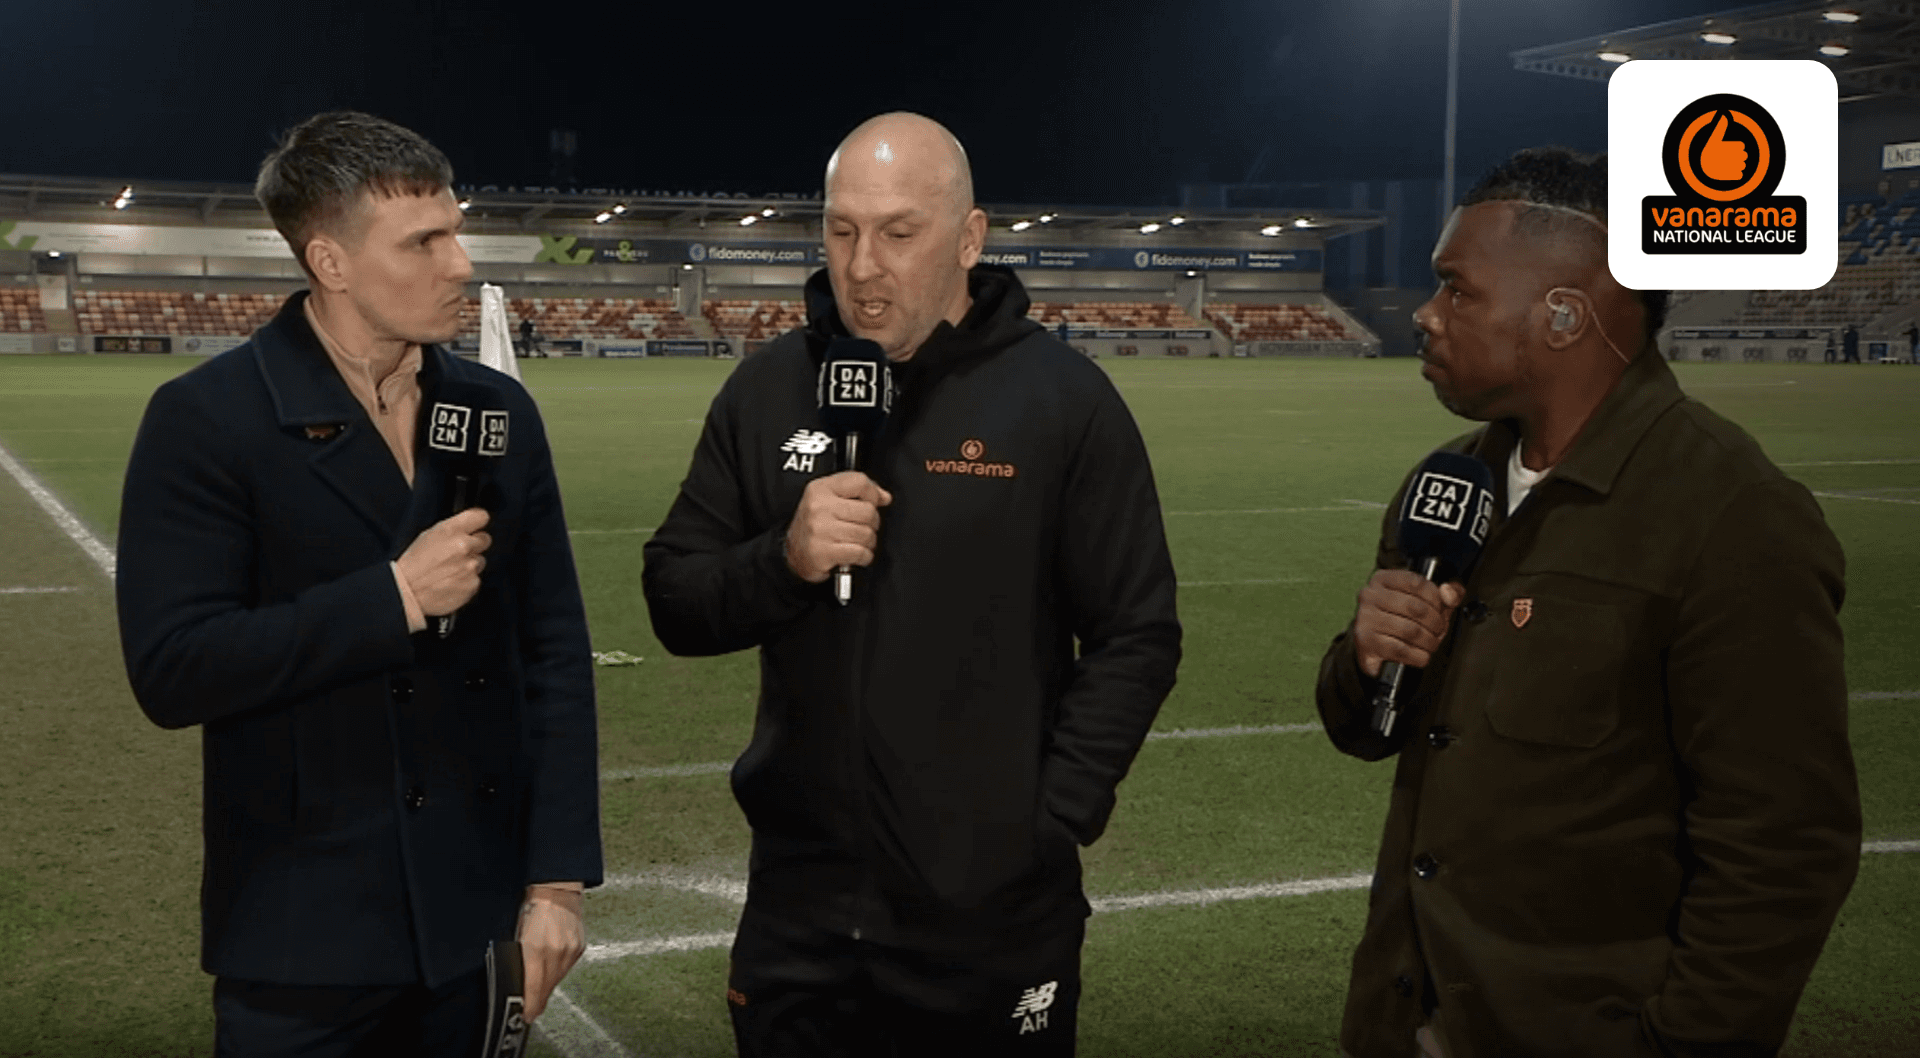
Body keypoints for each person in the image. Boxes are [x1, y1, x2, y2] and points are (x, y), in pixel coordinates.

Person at [643, 112, 1181, 1056]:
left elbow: (1137, 633)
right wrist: (783, 560)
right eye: (842, 230)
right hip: (800, 917)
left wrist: (1048, 818)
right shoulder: (768, 390)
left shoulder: (1063, 401)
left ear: (969, 238)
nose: (862, 267)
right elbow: (675, 598)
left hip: (992, 919)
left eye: (898, 233)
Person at [1314, 148, 1859, 1058]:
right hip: (1401, 1020)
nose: (1427, 313)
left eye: (1458, 289)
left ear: (1565, 314)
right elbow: (1371, 732)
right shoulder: (1450, 483)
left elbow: (1783, 846)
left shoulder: (1733, 514)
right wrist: (1365, 661)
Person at [115, 111, 602, 1056]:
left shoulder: (497, 410)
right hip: (301, 936)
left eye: (456, 231)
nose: (460, 263)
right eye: (423, 242)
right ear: (330, 262)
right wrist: (393, 599)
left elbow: (553, 653)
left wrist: (556, 882)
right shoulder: (206, 419)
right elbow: (173, 668)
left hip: (476, 918)